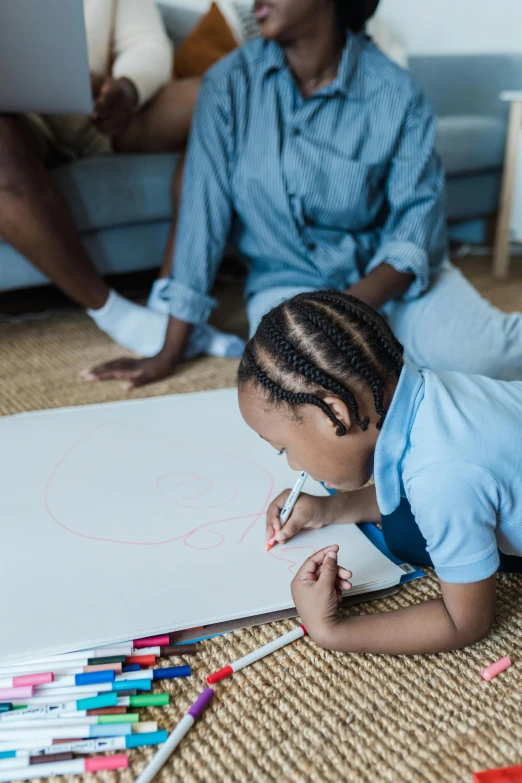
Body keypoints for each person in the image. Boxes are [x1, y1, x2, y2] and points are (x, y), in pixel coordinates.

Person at [86, 0, 522, 389]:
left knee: (489, 359)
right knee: (303, 378)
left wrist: (344, 310)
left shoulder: (398, 95)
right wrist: (168, 352)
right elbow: (202, 219)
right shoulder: (228, 85)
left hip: (396, 281)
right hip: (289, 285)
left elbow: (414, 231)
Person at [237, 290, 522, 655]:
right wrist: (327, 509)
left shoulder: (440, 477)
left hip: (459, 485)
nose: (293, 465)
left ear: (334, 415)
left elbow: (464, 622)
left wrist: (332, 631)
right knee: (401, 523)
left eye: (284, 448)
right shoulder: (431, 390)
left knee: (403, 532)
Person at [0, 0, 243, 359]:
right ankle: (115, 314)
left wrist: (128, 88)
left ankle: (171, 301)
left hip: (104, 112)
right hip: (23, 123)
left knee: (223, 99)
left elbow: (146, 43)